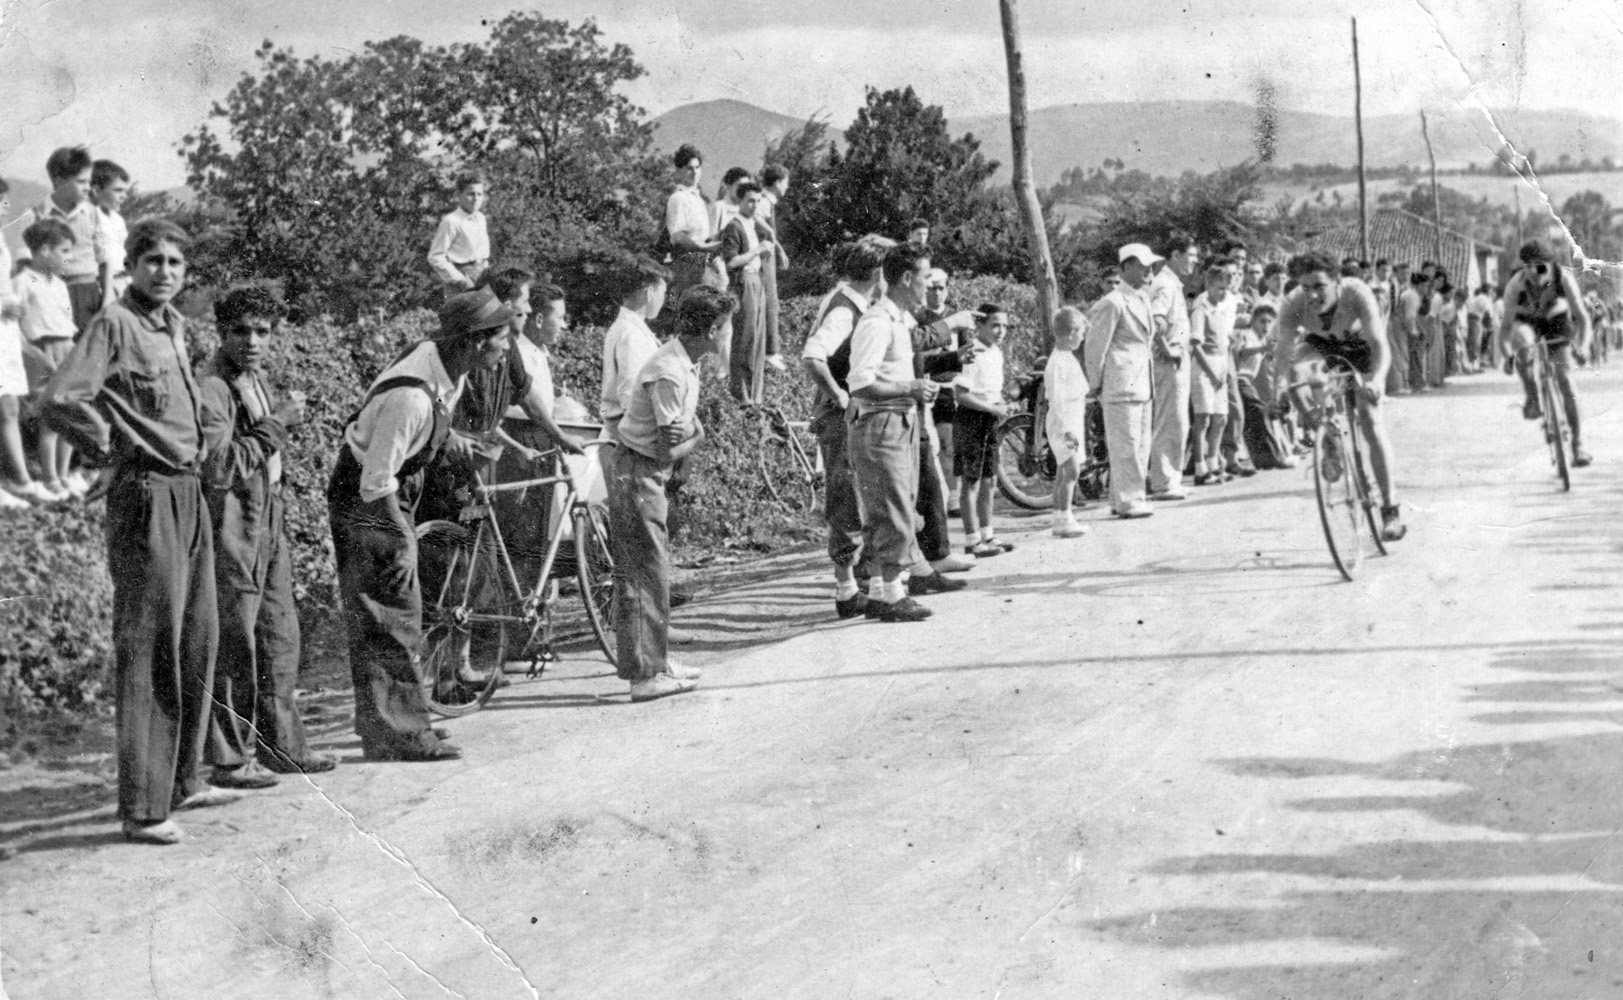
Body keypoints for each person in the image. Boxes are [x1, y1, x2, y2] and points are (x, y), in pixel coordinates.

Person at [39, 219, 238, 844]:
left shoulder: (175, 326)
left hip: (190, 491)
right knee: (151, 644)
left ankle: (183, 779)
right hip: (146, 493)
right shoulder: (114, 324)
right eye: (152, 260)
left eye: (176, 263)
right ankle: (145, 808)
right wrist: (104, 445)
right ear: (130, 265)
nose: (165, 271)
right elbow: (61, 397)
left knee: (197, 636)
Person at [328, 287, 518, 763]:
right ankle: (400, 733)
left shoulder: (443, 367)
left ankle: (395, 721)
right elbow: (376, 480)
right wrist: (401, 538)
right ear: (475, 342)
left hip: (391, 487)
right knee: (392, 608)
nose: (507, 348)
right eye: (502, 339)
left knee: (399, 607)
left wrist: (449, 437)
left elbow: (421, 430)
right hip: (371, 498)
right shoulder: (412, 396)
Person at [197, 285, 335, 787]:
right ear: (221, 332)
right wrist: (277, 424)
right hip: (233, 521)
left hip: (268, 515)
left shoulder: (255, 377)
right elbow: (219, 465)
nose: (253, 341)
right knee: (236, 637)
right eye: (241, 331)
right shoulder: (212, 386)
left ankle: (283, 746)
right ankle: (230, 760)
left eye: (263, 331)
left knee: (280, 634)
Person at [610, 285, 734, 700]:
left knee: (653, 569)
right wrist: (697, 437)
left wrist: (691, 433)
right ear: (713, 329)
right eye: (727, 326)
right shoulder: (669, 370)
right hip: (639, 472)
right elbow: (668, 447)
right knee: (645, 573)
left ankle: (656, 661)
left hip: (648, 473)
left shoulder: (685, 361)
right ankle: (645, 676)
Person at [1267, 250, 1408, 542]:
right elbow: (1282, 352)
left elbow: (1380, 345)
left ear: (1336, 280)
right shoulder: (1294, 302)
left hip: (1362, 347)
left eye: (1319, 286)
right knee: (1295, 375)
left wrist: (1378, 380)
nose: (1312, 295)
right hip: (1323, 345)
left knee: (1369, 419)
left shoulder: (1357, 292)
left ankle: (1390, 509)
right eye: (1306, 288)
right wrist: (1278, 389)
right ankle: (1327, 436)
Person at [847, 241, 954, 622]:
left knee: (895, 508)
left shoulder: (897, 320)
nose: (929, 285)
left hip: (898, 422)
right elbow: (859, 382)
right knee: (892, 511)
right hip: (881, 424)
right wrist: (909, 387)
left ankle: (880, 591)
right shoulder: (876, 322)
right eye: (925, 277)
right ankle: (893, 596)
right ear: (907, 278)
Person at [802, 237, 890, 619]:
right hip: (840, 418)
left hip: (849, 415)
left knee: (857, 494)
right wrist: (837, 396)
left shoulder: (852, 302)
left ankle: (859, 584)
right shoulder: (844, 310)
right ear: (876, 274)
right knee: (845, 498)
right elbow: (812, 356)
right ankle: (846, 589)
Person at [1499, 240, 1592, 467]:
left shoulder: (1564, 279)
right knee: (1522, 344)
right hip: (1527, 322)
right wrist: (1508, 355)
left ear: (1550, 265)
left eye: (1540, 266)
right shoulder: (1515, 286)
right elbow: (1505, 330)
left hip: (1556, 320)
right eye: (1528, 266)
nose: (1534, 272)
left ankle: (1578, 444)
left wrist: (1584, 346)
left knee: (1566, 381)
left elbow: (1582, 318)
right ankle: (1532, 396)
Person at [1083, 243, 1159, 519]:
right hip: (1120, 384)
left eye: (1151, 265)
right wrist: (1096, 385)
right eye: (1142, 265)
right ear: (1126, 267)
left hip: (1141, 383)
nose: (1149, 270)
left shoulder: (1143, 299)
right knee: (1126, 444)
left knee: (1139, 444)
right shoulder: (1112, 302)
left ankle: (1121, 497)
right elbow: (1095, 348)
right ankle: (1129, 500)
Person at [17, 219, 83, 500]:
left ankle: (64, 473)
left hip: (66, 348)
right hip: (41, 351)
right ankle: (49, 477)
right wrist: (38, 357)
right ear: (44, 250)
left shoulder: (59, 284)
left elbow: (66, 321)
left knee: (72, 415)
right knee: (51, 419)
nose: (69, 257)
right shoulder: (20, 282)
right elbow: (13, 327)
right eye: (65, 250)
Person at [15, 145, 114, 332]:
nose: (88, 187)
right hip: (50, 294)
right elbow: (23, 263)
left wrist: (107, 297)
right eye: (81, 182)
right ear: (60, 181)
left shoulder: (92, 213)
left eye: (89, 181)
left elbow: (105, 260)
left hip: (88, 294)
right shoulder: (36, 214)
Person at [954, 303, 1013, 557]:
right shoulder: (972, 352)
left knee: (990, 478)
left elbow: (992, 390)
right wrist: (991, 407)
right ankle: (972, 539)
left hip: (989, 419)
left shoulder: (996, 352)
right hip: (970, 419)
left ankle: (988, 535)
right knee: (971, 480)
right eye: (995, 325)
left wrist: (1000, 403)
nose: (1000, 331)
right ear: (980, 326)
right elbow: (961, 395)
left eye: (1004, 326)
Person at [0, 178, 42, 509]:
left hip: (4, 333)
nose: (4, 207)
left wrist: (15, 302)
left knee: (9, 405)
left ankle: (21, 480)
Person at [1145, 232, 1196, 501]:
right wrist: (1168, 351)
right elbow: (1156, 321)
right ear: (1175, 255)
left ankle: (1171, 477)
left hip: (1177, 357)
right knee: (1170, 420)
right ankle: (1164, 480)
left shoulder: (1171, 282)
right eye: (1191, 256)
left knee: (1178, 420)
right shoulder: (1165, 284)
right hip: (1169, 360)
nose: (1194, 262)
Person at [601, 256, 673, 442]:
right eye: (662, 294)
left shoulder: (627, 328)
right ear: (649, 293)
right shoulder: (631, 334)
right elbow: (630, 397)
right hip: (628, 439)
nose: (663, 301)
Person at [720, 179, 775, 405]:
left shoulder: (752, 225)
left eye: (757, 201)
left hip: (756, 281)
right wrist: (758, 250)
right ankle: (741, 395)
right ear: (740, 201)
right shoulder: (734, 226)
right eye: (750, 201)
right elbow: (731, 262)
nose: (754, 205)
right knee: (745, 339)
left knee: (758, 341)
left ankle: (756, 396)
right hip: (743, 283)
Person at [1189, 258, 1237, 485]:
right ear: (1208, 286)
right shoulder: (1201, 306)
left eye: (1226, 289)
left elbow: (1224, 340)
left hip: (1220, 363)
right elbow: (1195, 345)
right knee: (1203, 418)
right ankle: (1200, 469)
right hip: (1204, 366)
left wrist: (1224, 369)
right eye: (1219, 288)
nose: (1223, 293)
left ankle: (1213, 464)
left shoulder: (1222, 306)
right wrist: (1210, 373)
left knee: (1221, 418)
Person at [1045, 306, 1090, 538]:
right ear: (1071, 332)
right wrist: (1066, 431)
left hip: (1072, 420)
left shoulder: (1066, 358)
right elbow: (1058, 399)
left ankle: (1059, 516)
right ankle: (1065, 516)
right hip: (1065, 424)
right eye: (1081, 333)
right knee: (1071, 470)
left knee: (1065, 471)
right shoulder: (1058, 362)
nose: (1082, 338)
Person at [662, 145, 724, 308]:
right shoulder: (677, 198)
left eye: (697, 167)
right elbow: (677, 236)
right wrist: (703, 248)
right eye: (689, 168)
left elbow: (704, 236)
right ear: (679, 171)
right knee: (690, 311)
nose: (695, 172)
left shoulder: (698, 200)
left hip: (703, 265)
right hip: (686, 265)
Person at [427, 171, 491, 296]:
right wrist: (460, 279)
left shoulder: (481, 218)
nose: (476, 198)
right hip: (461, 276)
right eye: (471, 194)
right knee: (462, 314)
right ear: (459, 195)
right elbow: (435, 256)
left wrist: (485, 270)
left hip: (482, 274)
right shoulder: (451, 221)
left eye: (479, 194)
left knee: (486, 314)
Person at [757, 165, 791, 373]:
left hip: (766, 257)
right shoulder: (762, 200)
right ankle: (770, 351)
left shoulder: (769, 202)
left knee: (772, 301)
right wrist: (776, 243)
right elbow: (756, 218)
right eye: (786, 182)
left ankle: (771, 350)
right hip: (761, 258)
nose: (787, 186)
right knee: (770, 301)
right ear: (778, 182)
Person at [91, 159, 132, 299]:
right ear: (97, 191)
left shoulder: (118, 220)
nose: (124, 196)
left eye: (125, 191)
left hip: (124, 280)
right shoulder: (92, 216)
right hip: (103, 285)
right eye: (118, 190)